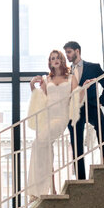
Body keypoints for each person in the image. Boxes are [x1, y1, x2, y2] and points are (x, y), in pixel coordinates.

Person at [26, 49, 81, 199]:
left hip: (60, 117)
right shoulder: (47, 79)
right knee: (46, 150)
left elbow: (77, 96)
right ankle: (51, 189)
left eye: (57, 57)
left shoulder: (71, 78)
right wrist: (32, 84)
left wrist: (86, 87)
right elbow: (39, 97)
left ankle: (36, 191)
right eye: (52, 58)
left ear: (62, 60)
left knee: (38, 143)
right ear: (49, 63)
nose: (55, 60)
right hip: (47, 118)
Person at [63, 40, 104, 180]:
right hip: (74, 109)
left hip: (92, 105)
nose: (67, 56)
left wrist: (102, 100)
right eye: (66, 53)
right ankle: (80, 177)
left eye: (69, 52)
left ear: (77, 51)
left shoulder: (93, 67)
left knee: (102, 127)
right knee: (76, 141)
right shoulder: (66, 73)